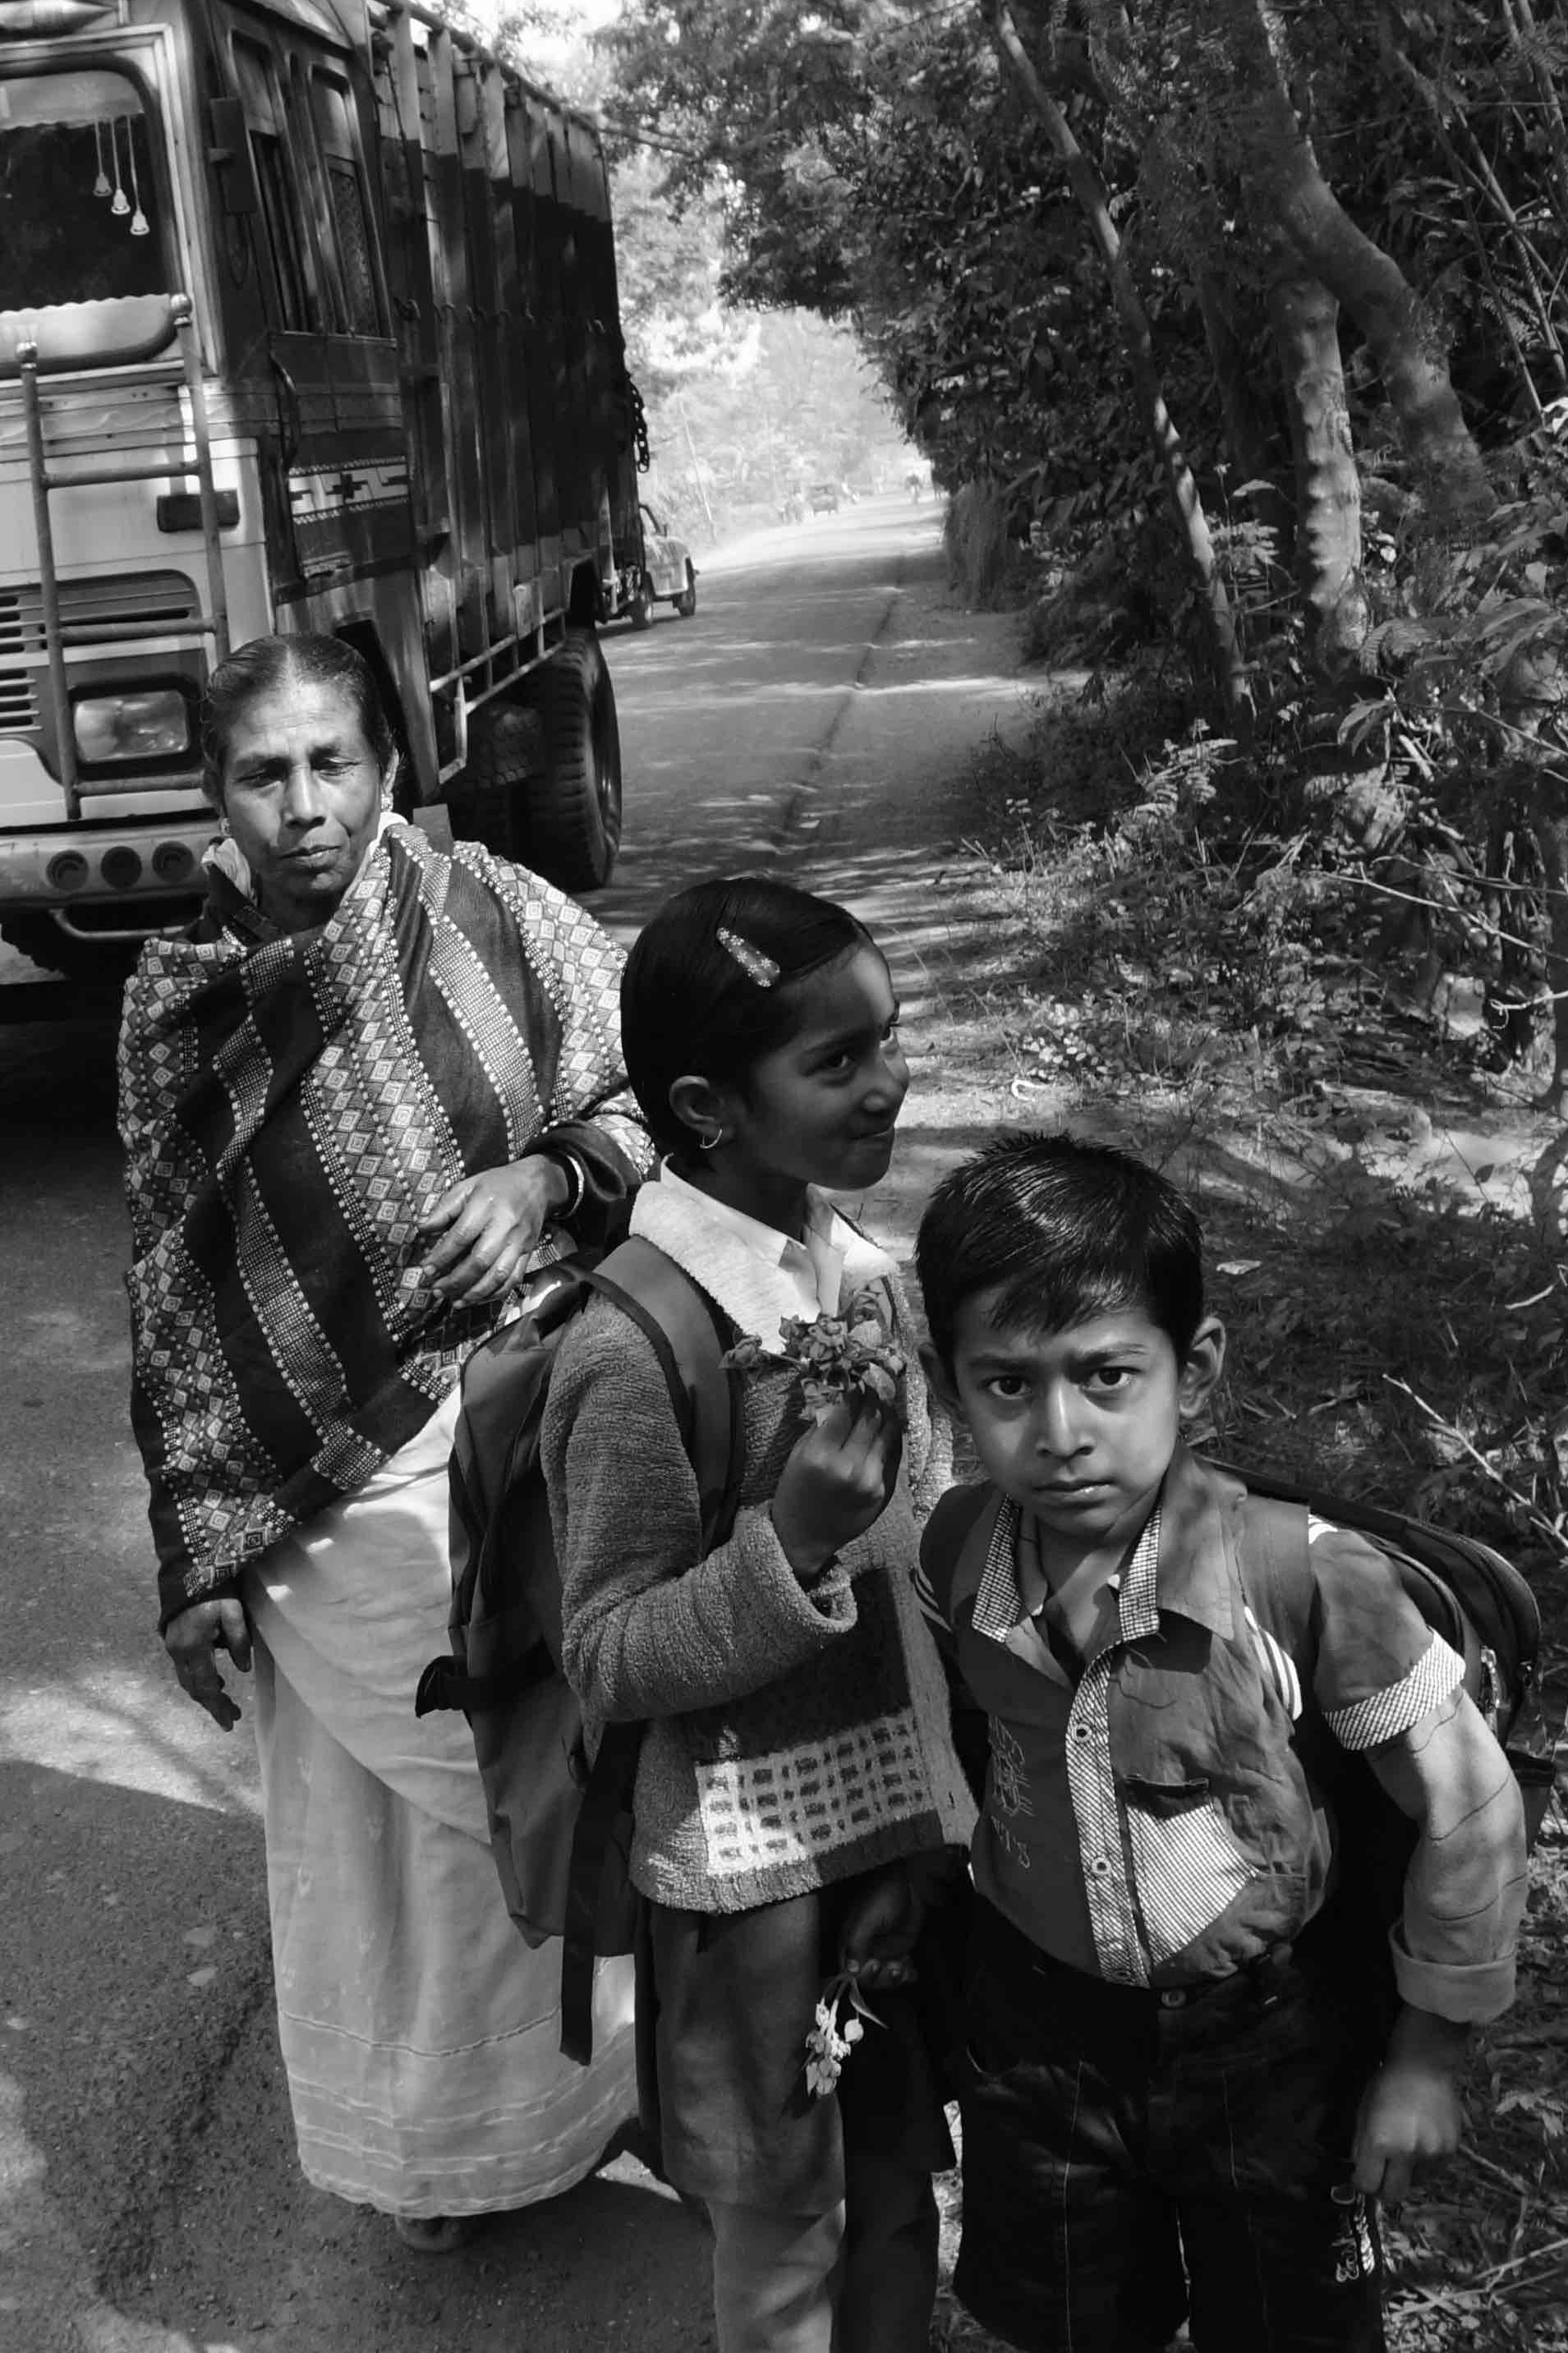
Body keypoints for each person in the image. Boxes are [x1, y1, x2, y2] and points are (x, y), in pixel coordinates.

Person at [122, 631, 651, 2245]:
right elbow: (171, 1288)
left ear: (391, 766)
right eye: (261, 774)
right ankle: (431, 2158)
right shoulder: (176, 1003)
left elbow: (654, 1100)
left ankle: (617, 2098)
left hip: (536, 1436)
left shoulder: (496, 914)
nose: (301, 808)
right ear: (215, 795)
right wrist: (194, 1553)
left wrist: (545, 1182)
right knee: (392, 1836)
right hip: (316, 1504)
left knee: (550, 1774)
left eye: (330, 764)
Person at [906, 1134, 1530, 2353]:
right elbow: (984, 1755)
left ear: (1192, 1373)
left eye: (1106, 1376)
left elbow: (1469, 1807)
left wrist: (1424, 2058)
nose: (1061, 1431)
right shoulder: (954, 1554)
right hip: (1045, 2043)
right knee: (1075, 2323)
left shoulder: (1304, 1582)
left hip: (1270, 2047)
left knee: (1286, 2325)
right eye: (1007, 1386)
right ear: (947, 1389)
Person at [544, 875, 970, 2353]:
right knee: (784, 2226)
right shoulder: (633, 1350)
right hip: (747, 1887)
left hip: (901, 1827)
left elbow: (925, 1536)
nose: (887, 1082)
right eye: (836, 1062)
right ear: (707, 1108)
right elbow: (601, 1652)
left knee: (905, 2185)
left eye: (891, 1038)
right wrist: (788, 1548)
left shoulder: (854, 1270)